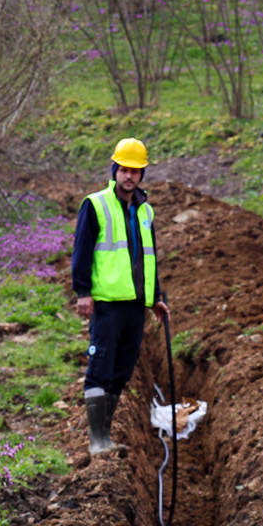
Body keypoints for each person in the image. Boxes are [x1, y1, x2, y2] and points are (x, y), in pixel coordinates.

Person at [71, 138, 169, 455]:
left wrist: (154, 298)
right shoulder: (96, 204)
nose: (129, 176)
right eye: (124, 169)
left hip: (135, 305)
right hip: (108, 303)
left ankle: (107, 436)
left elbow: (147, 258)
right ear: (115, 169)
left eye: (135, 171)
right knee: (100, 368)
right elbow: (82, 251)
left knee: (122, 371)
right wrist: (83, 292)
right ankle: (97, 440)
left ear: (142, 174)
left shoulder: (145, 211)